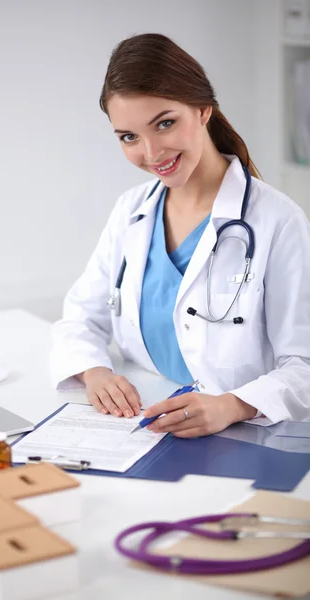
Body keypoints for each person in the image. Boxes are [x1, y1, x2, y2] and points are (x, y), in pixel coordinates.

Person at [51, 33, 310, 437]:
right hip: (144, 422)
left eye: (165, 123)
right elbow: (81, 316)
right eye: (129, 137)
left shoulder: (278, 222)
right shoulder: (131, 212)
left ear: (203, 110)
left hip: (243, 433)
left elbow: (304, 366)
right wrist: (95, 373)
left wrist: (232, 406)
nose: (152, 153)